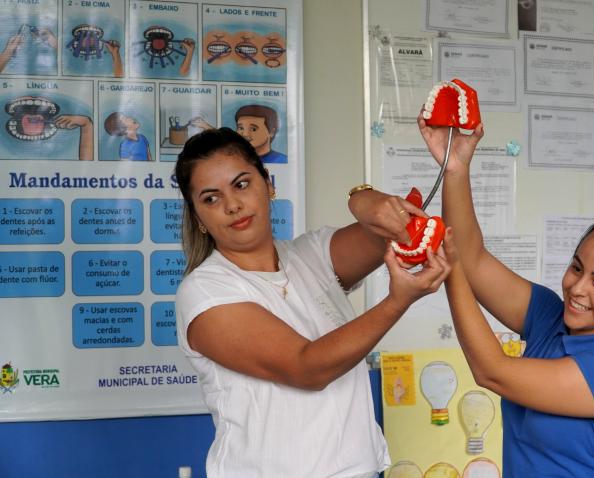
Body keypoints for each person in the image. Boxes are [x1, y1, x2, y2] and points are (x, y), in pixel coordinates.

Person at [174, 127, 451, 477]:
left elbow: (395, 223)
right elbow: (307, 368)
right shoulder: (205, 291)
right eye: (211, 198)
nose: (232, 205)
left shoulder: (311, 254)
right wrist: (397, 302)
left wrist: (361, 197)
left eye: (242, 184)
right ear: (198, 218)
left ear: (268, 184)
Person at [420, 116, 594, 477]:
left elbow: (493, 371)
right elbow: (473, 260)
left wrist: (449, 267)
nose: (577, 288)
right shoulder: (547, 316)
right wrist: (455, 168)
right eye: (576, 267)